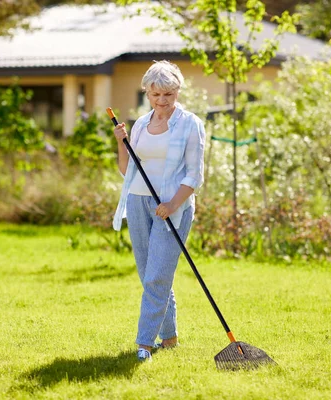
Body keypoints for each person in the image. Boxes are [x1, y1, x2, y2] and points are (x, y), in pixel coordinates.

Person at [112, 60, 206, 362]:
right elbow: (127, 170)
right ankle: (170, 337)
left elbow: (195, 175)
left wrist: (172, 204)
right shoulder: (140, 124)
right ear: (147, 94)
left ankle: (144, 343)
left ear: (177, 92)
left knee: (156, 276)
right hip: (138, 203)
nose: (162, 101)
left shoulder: (190, 124)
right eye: (155, 95)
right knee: (150, 275)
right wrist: (121, 144)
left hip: (172, 208)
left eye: (168, 94)